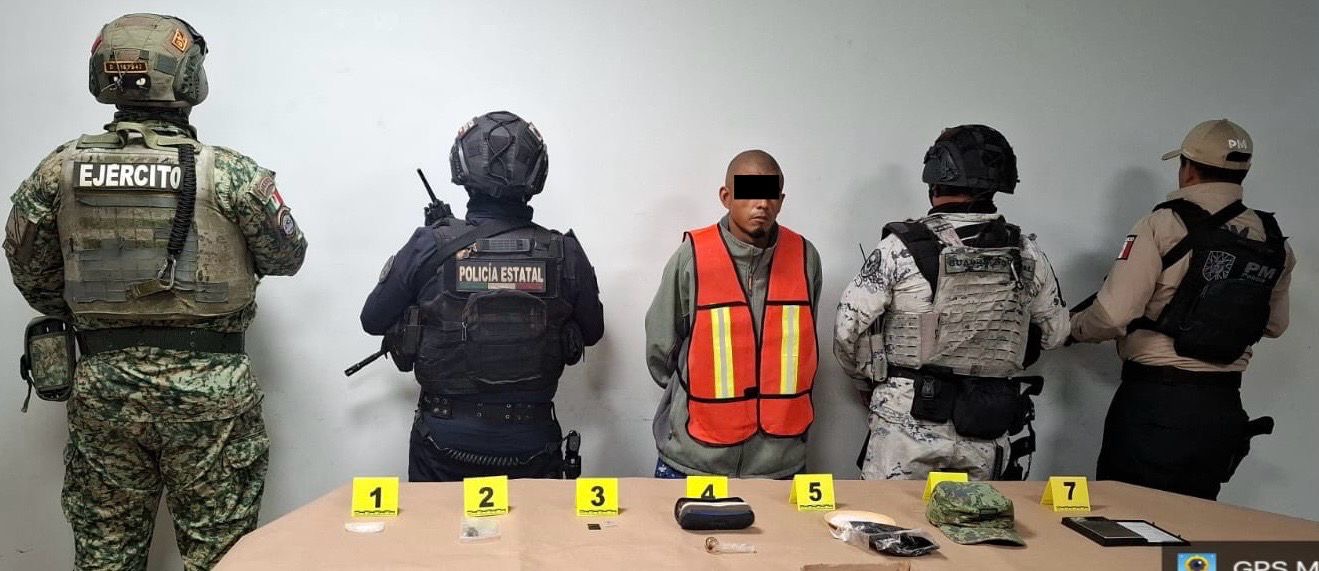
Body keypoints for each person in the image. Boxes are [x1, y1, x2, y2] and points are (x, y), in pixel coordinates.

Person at [3, 14, 307, 569]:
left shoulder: (58, 171)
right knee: (223, 557)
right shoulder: (229, 174)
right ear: (188, 80)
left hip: (104, 390)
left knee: (107, 555)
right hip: (211, 394)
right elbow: (287, 257)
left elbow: (32, 273)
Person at [360, 111, 603, 482]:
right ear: (536, 174)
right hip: (531, 441)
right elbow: (593, 331)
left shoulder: (430, 245)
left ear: (461, 169)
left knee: (435, 525)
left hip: (443, 439)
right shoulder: (564, 252)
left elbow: (372, 319)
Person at [1070, 119, 1294, 500]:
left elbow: (1112, 316)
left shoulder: (1162, 225)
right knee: (1193, 523)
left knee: (1124, 516)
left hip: (1155, 406)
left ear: (1188, 168)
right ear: (1244, 171)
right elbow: (1275, 325)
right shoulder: (1273, 240)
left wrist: (1070, 328)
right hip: (1223, 410)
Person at [834, 125, 1068, 481]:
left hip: (908, 424)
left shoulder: (900, 249)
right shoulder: (1027, 253)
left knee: (890, 517)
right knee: (975, 518)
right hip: (986, 425)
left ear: (936, 177)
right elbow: (1055, 333)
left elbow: (847, 330)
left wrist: (865, 382)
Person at [645, 149, 823, 479]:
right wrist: (698, 398)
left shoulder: (804, 257)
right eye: (749, 192)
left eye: (770, 194)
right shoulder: (692, 257)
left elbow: (806, 347)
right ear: (726, 197)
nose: (761, 204)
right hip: (694, 461)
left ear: (781, 201)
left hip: (780, 463)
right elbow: (661, 349)